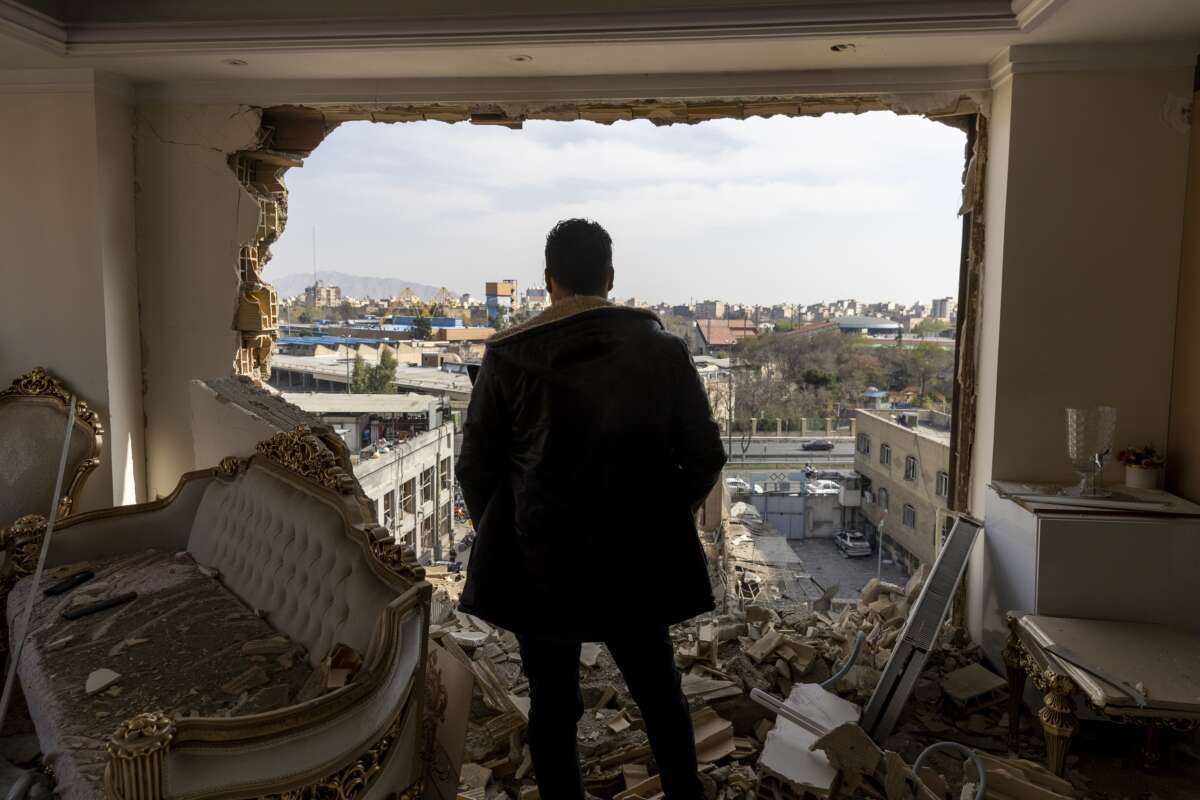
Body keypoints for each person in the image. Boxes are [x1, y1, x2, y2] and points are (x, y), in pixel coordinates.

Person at [456, 218, 727, 799]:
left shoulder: (507, 357)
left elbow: (475, 470)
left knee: (553, 706)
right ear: (609, 277)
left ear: (548, 281)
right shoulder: (662, 350)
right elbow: (705, 455)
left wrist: (512, 534)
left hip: (542, 564)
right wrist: (657, 518)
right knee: (658, 693)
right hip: (633, 559)